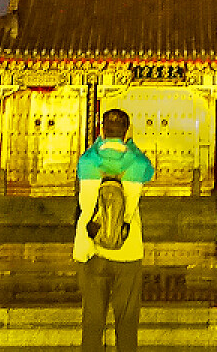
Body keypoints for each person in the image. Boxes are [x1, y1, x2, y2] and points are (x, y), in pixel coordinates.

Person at [74, 109, 155, 352]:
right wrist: (131, 147)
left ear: (102, 129)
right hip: (128, 247)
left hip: (91, 248)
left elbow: (85, 205)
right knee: (127, 318)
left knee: (92, 319)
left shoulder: (88, 160)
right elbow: (149, 173)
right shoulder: (137, 162)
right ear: (127, 131)